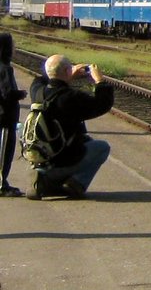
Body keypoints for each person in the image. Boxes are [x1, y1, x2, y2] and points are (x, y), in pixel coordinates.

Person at [26, 54, 114, 200]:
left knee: (87, 141)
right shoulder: (71, 97)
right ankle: (73, 184)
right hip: (60, 160)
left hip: (41, 156)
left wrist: (66, 75)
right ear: (67, 71)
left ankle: (42, 175)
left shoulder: (37, 91)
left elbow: (40, 79)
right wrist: (99, 81)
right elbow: (102, 104)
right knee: (101, 147)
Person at [0, 33, 27, 196]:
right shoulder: (5, 68)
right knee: (4, 152)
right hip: (4, 117)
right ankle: (1, 185)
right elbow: (6, 93)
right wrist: (21, 94)